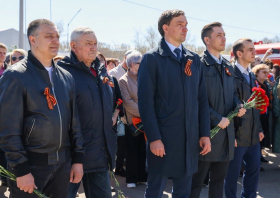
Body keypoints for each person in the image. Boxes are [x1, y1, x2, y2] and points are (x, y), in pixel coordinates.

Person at [0, 19, 85, 198]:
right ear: (33, 39)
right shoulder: (15, 76)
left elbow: (74, 121)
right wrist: (21, 169)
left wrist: (78, 160)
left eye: (57, 36)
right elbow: (7, 129)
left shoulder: (66, 77)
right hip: (31, 167)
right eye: (49, 36)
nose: (55, 40)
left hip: (62, 166)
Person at [138, 9, 211, 198]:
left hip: (189, 138)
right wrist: (154, 137)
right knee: (155, 190)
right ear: (165, 28)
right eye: (180, 24)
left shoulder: (193, 59)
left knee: (183, 192)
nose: (185, 28)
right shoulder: (152, 59)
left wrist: (204, 133)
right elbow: (145, 103)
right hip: (163, 138)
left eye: (186, 24)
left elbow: (201, 100)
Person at [58, 27, 121, 198]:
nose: (93, 47)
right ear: (73, 45)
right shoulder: (62, 72)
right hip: (72, 157)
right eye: (88, 43)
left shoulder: (101, 71)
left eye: (95, 43)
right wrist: (74, 156)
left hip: (99, 154)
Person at [190, 22, 246, 198]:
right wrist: (216, 119)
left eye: (224, 34)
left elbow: (232, 95)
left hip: (225, 135)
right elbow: (194, 100)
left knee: (217, 184)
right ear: (207, 40)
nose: (224, 38)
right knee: (195, 184)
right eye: (219, 35)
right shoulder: (197, 64)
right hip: (205, 134)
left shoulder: (227, 65)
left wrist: (238, 106)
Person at [224, 38, 264, 198]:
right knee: (232, 176)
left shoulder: (252, 76)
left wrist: (259, 129)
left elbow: (255, 106)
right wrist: (230, 133)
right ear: (239, 53)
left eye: (254, 49)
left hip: (253, 135)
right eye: (250, 49)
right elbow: (227, 105)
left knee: (253, 172)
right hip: (237, 136)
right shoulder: (230, 75)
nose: (254, 52)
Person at [119, 51, 148, 188]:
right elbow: (127, 102)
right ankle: (131, 179)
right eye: (139, 63)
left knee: (143, 150)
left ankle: (142, 176)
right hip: (132, 122)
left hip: (146, 121)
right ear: (132, 64)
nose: (142, 66)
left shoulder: (144, 78)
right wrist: (145, 112)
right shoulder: (123, 80)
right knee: (131, 151)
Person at [109, 50, 136, 178]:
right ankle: (117, 167)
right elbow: (118, 96)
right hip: (121, 115)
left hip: (127, 114)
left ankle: (120, 166)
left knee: (125, 144)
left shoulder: (137, 75)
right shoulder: (113, 73)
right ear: (126, 58)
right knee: (119, 144)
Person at [251, 64, 273, 164]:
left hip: (265, 114)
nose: (266, 74)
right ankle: (256, 160)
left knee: (264, 135)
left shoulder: (266, 85)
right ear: (257, 73)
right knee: (258, 137)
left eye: (267, 72)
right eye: (264, 72)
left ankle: (259, 156)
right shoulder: (254, 84)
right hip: (257, 115)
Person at [0, 43, 8, 187]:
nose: (2, 55)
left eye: (4, 53)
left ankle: (6, 178)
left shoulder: (9, 71)